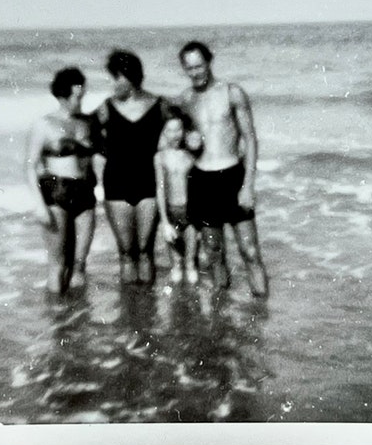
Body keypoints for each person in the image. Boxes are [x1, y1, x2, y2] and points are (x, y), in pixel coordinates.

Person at [178, 41, 268, 297]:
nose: (195, 72)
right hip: (202, 181)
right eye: (189, 68)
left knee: (250, 251)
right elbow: (177, 141)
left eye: (199, 66)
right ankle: (222, 320)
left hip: (232, 177)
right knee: (213, 252)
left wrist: (248, 185)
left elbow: (250, 139)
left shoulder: (232, 92)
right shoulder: (185, 100)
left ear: (209, 62)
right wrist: (187, 143)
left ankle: (262, 316)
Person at [94, 50, 171, 285]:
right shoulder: (105, 108)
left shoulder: (160, 106)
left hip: (150, 186)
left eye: (116, 77)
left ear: (131, 77)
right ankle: (130, 317)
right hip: (116, 186)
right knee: (126, 254)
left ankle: (147, 315)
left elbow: (184, 132)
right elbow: (90, 145)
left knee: (146, 251)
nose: (113, 83)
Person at [26, 67, 97, 295]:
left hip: (85, 192)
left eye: (83, 96)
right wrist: (39, 205)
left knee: (79, 264)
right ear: (62, 96)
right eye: (77, 97)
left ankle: (76, 320)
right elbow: (30, 165)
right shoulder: (44, 124)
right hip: (57, 192)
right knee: (58, 264)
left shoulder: (87, 122)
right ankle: (58, 322)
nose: (81, 102)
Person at [154, 115, 199, 284]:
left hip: (191, 212)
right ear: (164, 133)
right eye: (170, 130)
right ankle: (177, 305)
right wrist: (165, 222)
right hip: (172, 211)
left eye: (178, 130)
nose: (175, 134)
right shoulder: (160, 157)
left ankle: (195, 304)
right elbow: (160, 188)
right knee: (177, 265)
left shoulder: (191, 156)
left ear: (184, 131)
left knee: (191, 263)